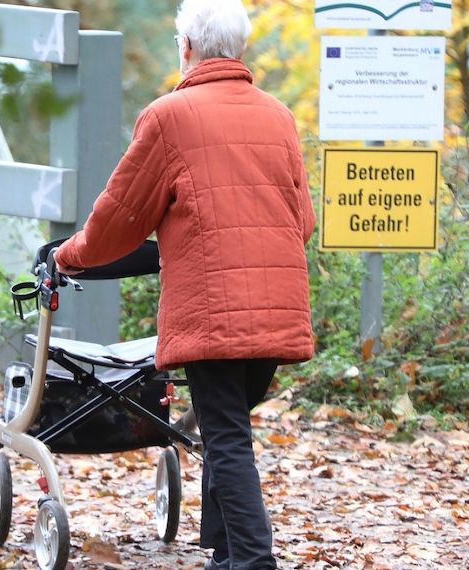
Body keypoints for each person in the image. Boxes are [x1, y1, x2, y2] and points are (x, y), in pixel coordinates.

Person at [54, 0, 315, 568]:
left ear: (187, 48)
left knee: (226, 438)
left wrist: (69, 257)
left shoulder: (170, 116)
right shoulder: (278, 116)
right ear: (240, 49)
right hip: (278, 309)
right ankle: (226, 553)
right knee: (228, 428)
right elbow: (304, 222)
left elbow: (119, 219)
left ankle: (251, 559)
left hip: (215, 312)